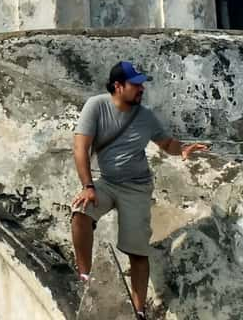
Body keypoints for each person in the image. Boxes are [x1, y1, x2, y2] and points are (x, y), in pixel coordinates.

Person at [71, 61, 209, 320]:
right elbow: (80, 147)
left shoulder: (145, 116)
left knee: (137, 250)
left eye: (141, 84)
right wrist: (88, 186)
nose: (141, 88)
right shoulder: (96, 106)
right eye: (135, 84)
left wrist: (182, 149)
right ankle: (85, 278)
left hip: (136, 187)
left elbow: (166, 142)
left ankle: (138, 311)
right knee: (80, 211)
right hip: (108, 182)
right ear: (118, 86)